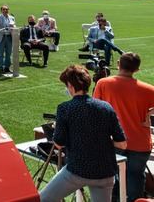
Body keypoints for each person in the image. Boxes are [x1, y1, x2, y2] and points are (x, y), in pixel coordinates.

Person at [39, 65, 126, 202]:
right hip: (105, 172)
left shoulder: (65, 108)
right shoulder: (106, 107)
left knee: (43, 199)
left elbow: (59, 143)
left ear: (71, 87)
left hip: (77, 170)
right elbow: (122, 144)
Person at [93, 53, 154, 202]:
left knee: (112, 180)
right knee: (136, 179)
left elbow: (94, 109)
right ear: (137, 69)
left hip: (113, 142)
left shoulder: (104, 83)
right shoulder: (149, 89)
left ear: (118, 64)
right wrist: (149, 117)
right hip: (140, 143)